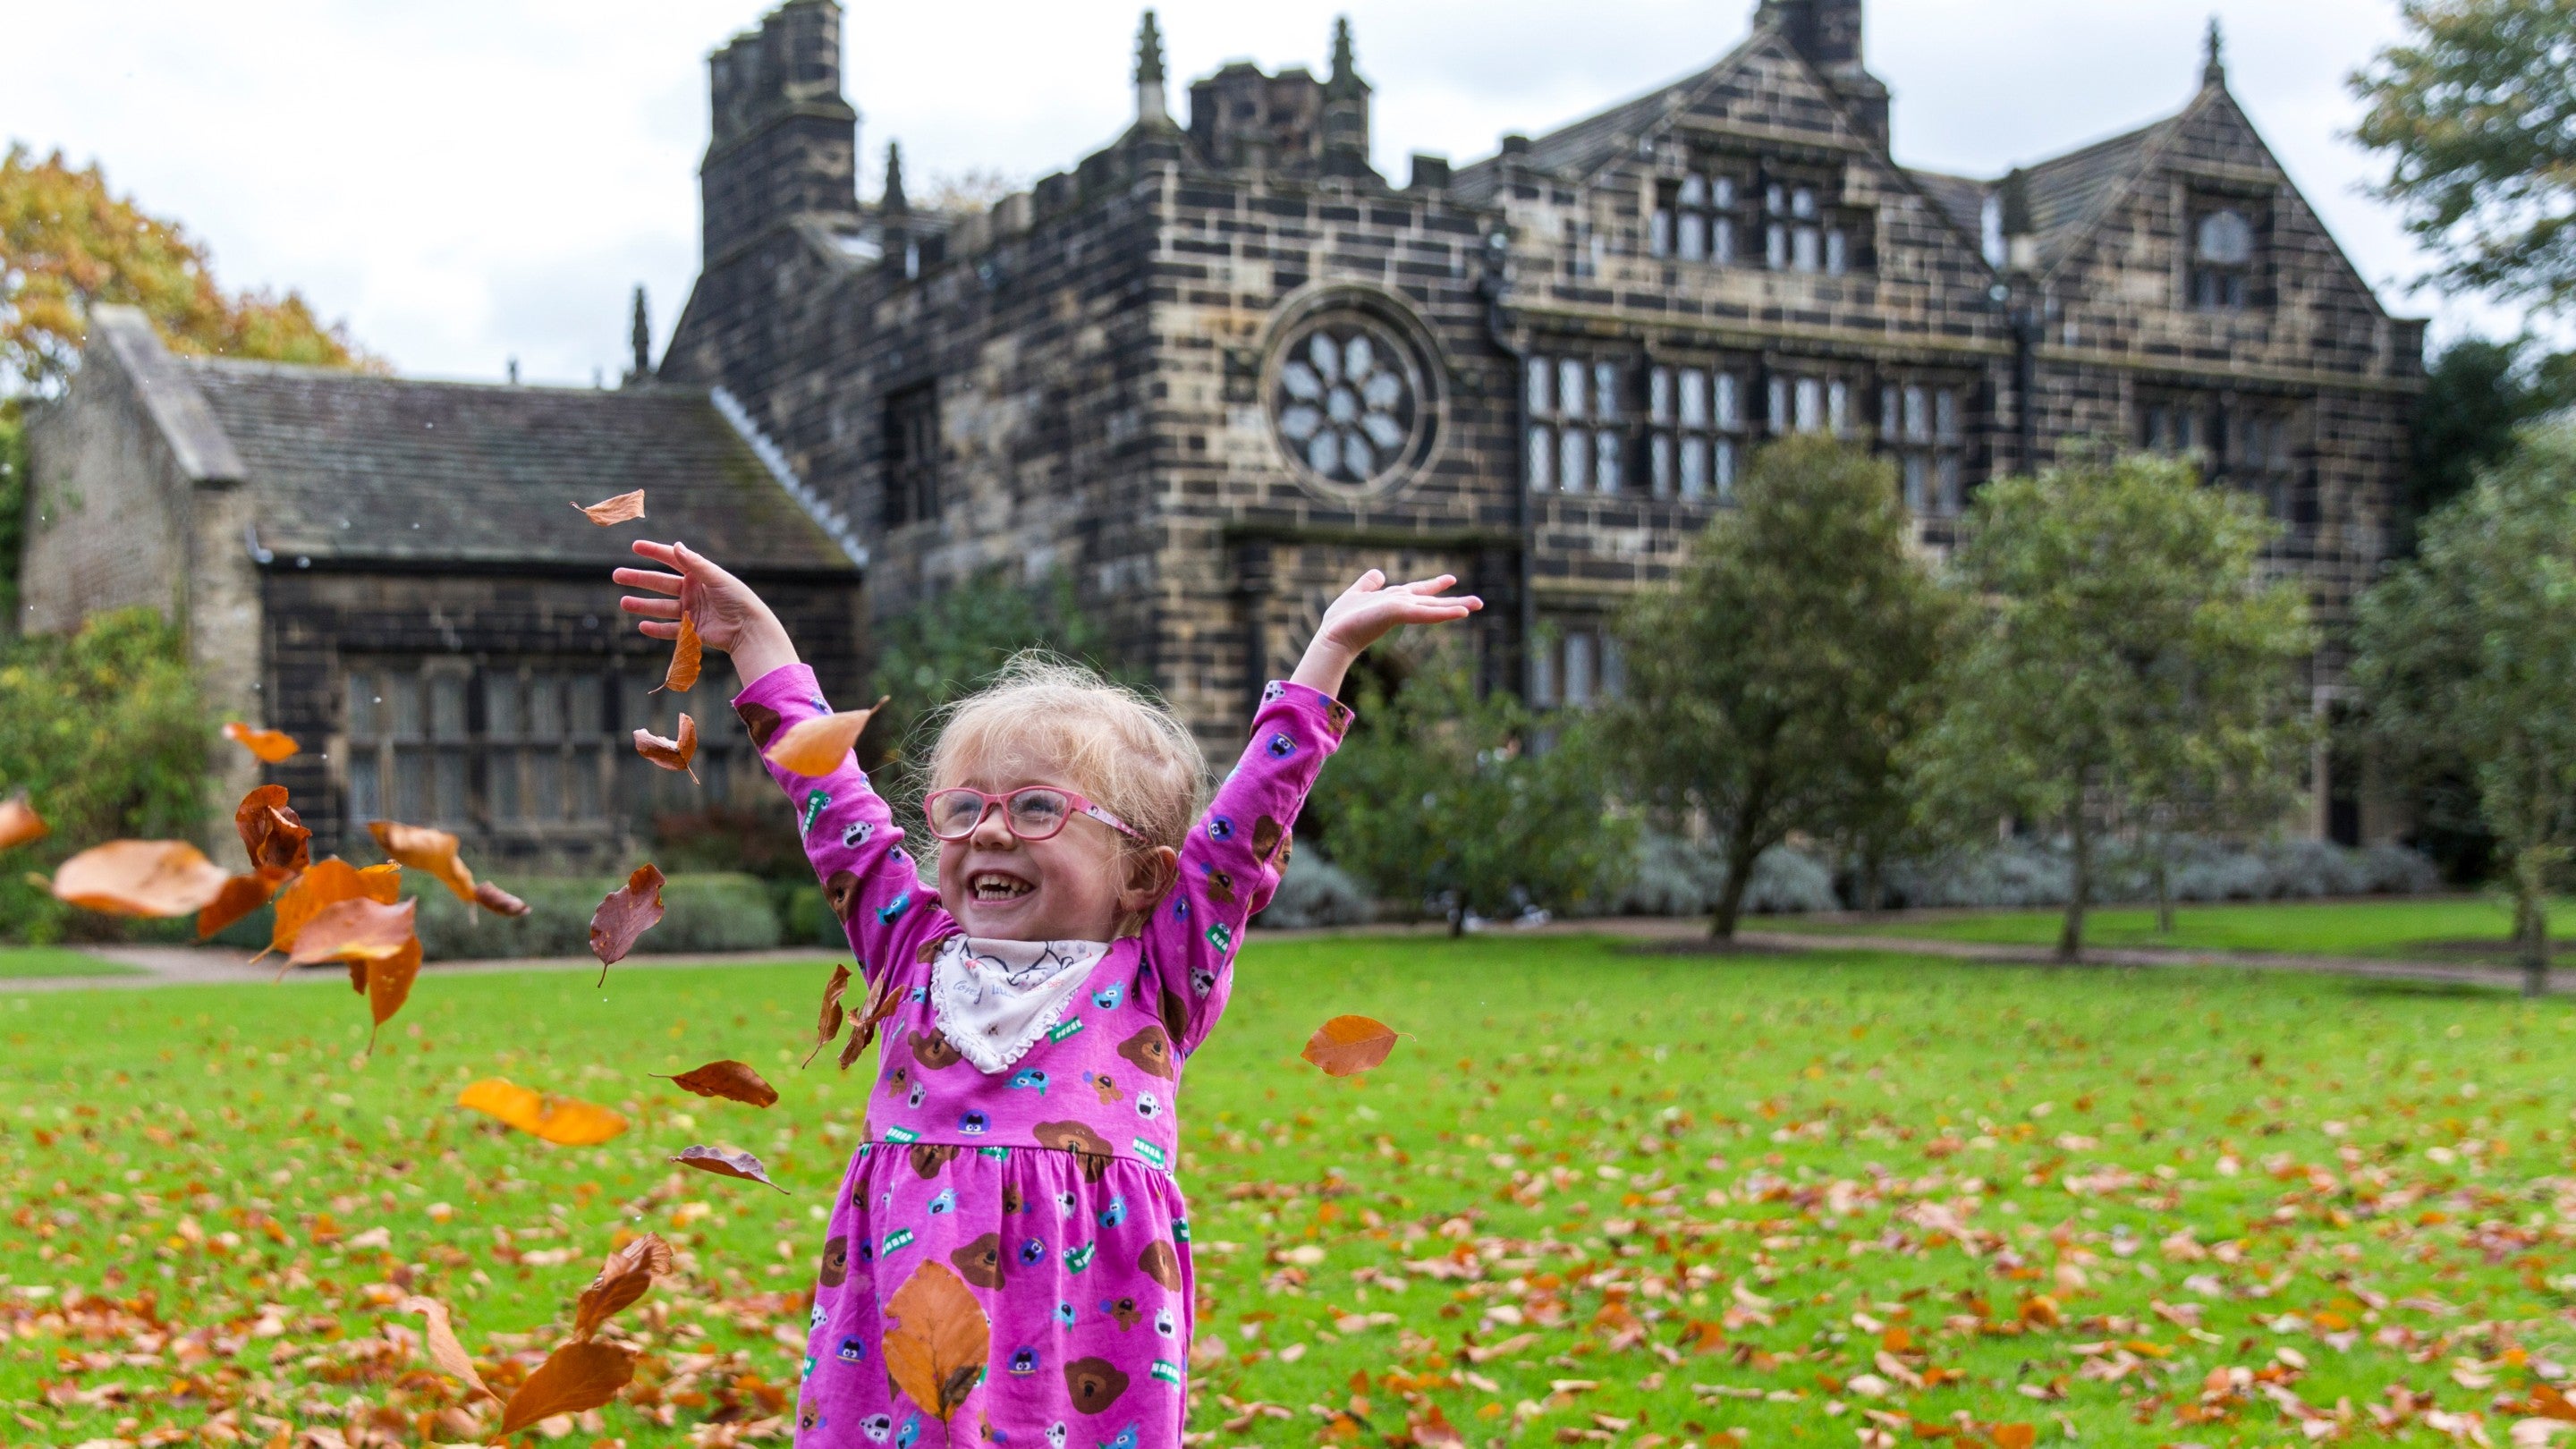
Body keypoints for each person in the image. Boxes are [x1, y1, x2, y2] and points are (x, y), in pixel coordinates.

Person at [614, 541, 1479, 1445]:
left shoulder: (1158, 974)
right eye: (962, 808)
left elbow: (1240, 837)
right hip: (905, 1342)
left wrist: (1326, 658)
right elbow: (828, 794)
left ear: (1142, 875)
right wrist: (755, 635)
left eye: (1036, 809)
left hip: (1088, 1347)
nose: (989, 831)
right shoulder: (912, 948)